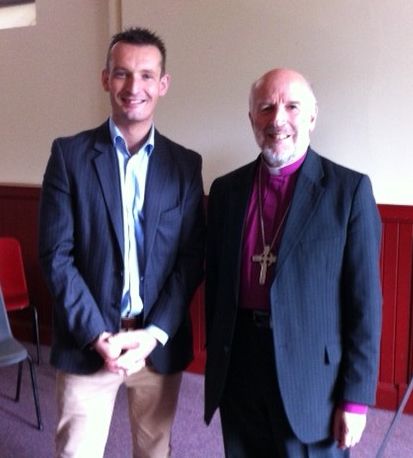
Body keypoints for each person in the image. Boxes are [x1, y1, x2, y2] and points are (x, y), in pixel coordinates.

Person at [39, 27, 205, 458]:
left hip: (154, 346)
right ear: (105, 79)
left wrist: (153, 334)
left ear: (163, 84)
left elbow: (190, 259)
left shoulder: (185, 165)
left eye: (147, 75)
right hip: (88, 341)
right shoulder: (69, 156)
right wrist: (97, 334)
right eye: (122, 73)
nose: (134, 87)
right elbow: (56, 256)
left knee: (154, 452)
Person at [204, 68, 382, 457]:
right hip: (240, 364)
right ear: (251, 119)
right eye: (266, 107)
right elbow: (215, 285)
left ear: (313, 117)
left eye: (292, 107)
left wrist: (356, 398)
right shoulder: (226, 191)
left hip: (313, 375)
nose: (278, 119)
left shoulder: (348, 191)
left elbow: (365, 305)